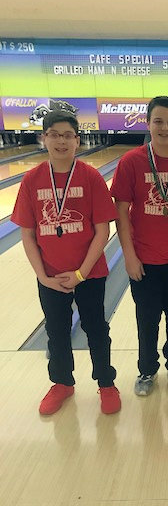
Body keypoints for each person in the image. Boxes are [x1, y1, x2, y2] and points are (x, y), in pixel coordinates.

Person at [11, 110, 120, 415]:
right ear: (43, 138)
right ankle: (62, 383)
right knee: (57, 331)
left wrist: (82, 273)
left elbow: (102, 230)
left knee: (96, 328)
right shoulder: (32, 180)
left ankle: (106, 383)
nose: (61, 141)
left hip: (89, 273)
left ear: (78, 140)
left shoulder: (90, 177)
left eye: (67, 135)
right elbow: (28, 233)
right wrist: (42, 276)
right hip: (50, 275)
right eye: (54, 134)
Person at [111, 96, 168, 396]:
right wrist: (129, 257)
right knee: (146, 320)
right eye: (158, 121)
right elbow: (121, 212)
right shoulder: (131, 162)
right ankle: (147, 370)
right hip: (144, 260)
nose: (165, 127)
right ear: (148, 123)